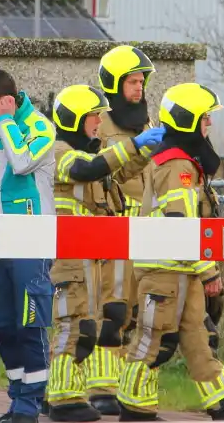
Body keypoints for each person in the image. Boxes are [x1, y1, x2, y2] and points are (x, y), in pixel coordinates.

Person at [117, 83, 224, 422]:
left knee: (201, 337)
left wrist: (201, 268)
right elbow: (181, 224)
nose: (209, 125)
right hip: (166, 270)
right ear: (188, 121)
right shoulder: (177, 167)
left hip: (180, 268)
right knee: (154, 341)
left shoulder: (181, 162)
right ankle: (133, 406)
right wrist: (208, 269)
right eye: (205, 118)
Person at [45, 84, 165, 423]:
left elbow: (115, 171)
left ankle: (67, 394)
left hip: (92, 257)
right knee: (74, 327)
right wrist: (133, 145)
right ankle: (63, 399)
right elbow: (86, 170)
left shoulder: (93, 155)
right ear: (74, 120)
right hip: (69, 257)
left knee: (92, 327)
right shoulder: (59, 151)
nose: (99, 121)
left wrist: (143, 152)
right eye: (93, 116)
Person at [0, 69, 56, 423]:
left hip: (30, 240)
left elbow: (21, 163)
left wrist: (6, 121)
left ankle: (30, 406)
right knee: (5, 327)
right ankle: (16, 403)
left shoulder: (39, 127)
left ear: (4, 100)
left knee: (29, 324)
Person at [88, 45, 158, 416]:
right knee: (110, 309)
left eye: (141, 81)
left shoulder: (144, 125)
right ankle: (100, 386)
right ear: (113, 84)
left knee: (134, 314)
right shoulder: (101, 125)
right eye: (131, 81)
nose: (138, 89)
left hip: (144, 234)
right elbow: (97, 173)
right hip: (110, 228)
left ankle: (121, 386)